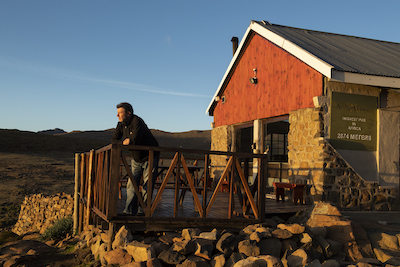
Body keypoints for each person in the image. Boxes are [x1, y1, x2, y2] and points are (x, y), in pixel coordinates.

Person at [111, 102, 159, 216]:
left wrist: (129, 140)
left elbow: (135, 139)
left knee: (147, 185)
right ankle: (128, 212)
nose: (117, 116)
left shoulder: (137, 121)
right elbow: (114, 140)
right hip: (136, 159)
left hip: (150, 157)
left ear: (128, 113)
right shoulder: (121, 124)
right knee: (131, 184)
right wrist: (124, 142)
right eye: (117, 113)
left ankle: (143, 212)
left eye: (120, 113)